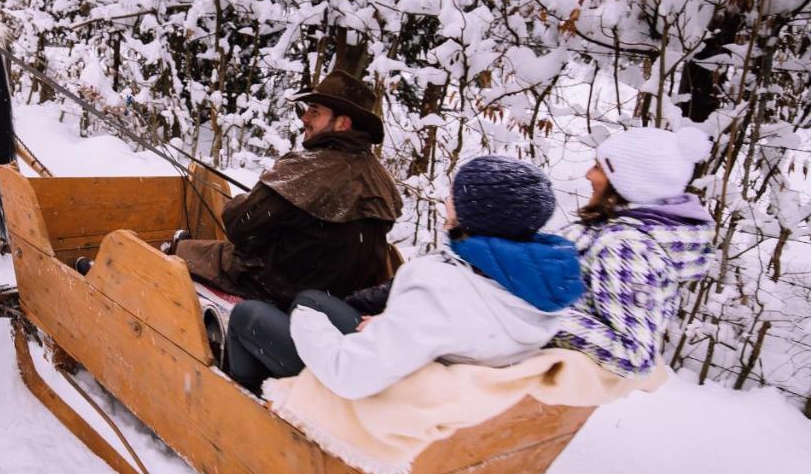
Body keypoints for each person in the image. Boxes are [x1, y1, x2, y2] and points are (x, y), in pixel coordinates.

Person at [241, 156, 585, 400]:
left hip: (378, 392)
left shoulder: (442, 290)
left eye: (455, 195)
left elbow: (350, 375)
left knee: (251, 315)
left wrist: (306, 322)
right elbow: (450, 322)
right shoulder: (533, 283)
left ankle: (247, 407)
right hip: (424, 368)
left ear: (476, 212)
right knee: (312, 299)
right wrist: (395, 321)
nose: (446, 200)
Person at [171, 70, 404, 309]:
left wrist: (245, 202)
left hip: (279, 289)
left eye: (315, 111)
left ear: (343, 123)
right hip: (338, 297)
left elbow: (239, 226)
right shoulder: (381, 178)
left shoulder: (307, 169)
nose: (304, 118)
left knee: (182, 253)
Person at [550, 127, 715, 378]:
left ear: (626, 183)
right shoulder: (616, 229)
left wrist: (536, 313)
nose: (588, 174)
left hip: (545, 387)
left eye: (598, 168)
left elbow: (634, 355)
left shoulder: (627, 248)